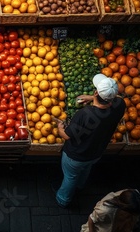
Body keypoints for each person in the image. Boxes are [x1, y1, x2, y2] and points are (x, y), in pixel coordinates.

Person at [54, 73, 126, 208]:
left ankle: (63, 199)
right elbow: (115, 100)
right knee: (86, 169)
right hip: (96, 152)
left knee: (70, 177)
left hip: (76, 155)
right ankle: (81, 186)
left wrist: (60, 127)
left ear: (96, 92)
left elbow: (67, 136)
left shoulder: (85, 114)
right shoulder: (120, 105)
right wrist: (94, 98)